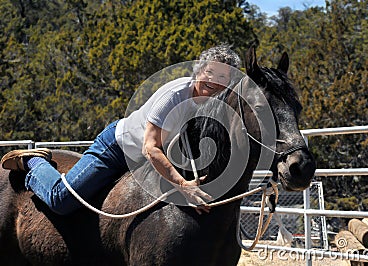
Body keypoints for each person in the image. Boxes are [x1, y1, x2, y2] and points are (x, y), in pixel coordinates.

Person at [1, 44, 241, 215]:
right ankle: (33, 164)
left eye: (223, 77)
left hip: (144, 164)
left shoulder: (213, 105)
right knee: (62, 200)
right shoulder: (174, 95)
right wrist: (183, 185)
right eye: (211, 72)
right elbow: (150, 148)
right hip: (117, 149)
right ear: (199, 71)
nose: (215, 81)